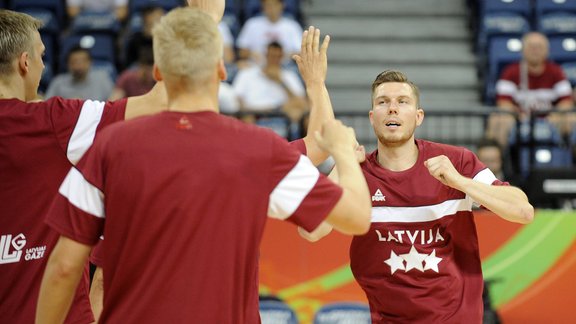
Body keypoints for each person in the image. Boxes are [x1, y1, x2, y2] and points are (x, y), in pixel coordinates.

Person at [36, 8, 371, 323]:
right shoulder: (257, 150)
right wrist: (342, 151)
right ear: (222, 71)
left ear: (158, 74)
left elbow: (66, 268)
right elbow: (355, 216)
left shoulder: (109, 147)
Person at [0, 1, 225, 322]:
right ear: (24, 63)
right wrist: (207, 20)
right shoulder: (51, 122)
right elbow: (163, 100)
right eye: (40, 56)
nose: (42, 67)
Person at [299, 70, 535, 323]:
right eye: (383, 102)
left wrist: (458, 181)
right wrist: (343, 165)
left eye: (402, 101)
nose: (392, 109)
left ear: (418, 116)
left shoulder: (455, 162)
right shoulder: (357, 175)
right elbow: (311, 230)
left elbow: (523, 211)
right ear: (372, 117)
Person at [486, 32, 575, 148]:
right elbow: (503, 103)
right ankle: (500, 162)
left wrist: (555, 115)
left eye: (539, 47)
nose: (535, 51)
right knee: (497, 120)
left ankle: (570, 160)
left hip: (551, 119)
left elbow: (566, 102)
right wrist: (518, 115)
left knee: (572, 118)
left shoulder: (556, 71)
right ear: (523, 50)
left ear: (547, 51)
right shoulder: (510, 72)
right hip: (519, 118)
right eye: (531, 47)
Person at [233, 41, 307, 136]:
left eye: (277, 56)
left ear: (282, 57)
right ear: (266, 55)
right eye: (271, 56)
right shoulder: (247, 74)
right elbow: (237, 98)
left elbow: (302, 104)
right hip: (254, 113)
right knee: (246, 116)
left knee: (297, 111)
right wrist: (247, 111)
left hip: (281, 114)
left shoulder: (289, 76)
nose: (274, 60)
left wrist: (281, 82)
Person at [236, 0, 302, 66]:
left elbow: (301, 52)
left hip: (285, 68)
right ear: (262, 7)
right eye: (268, 5)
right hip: (256, 67)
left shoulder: (292, 26)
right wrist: (251, 54)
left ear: (282, 5)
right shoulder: (252, 24)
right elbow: (241, 52)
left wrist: (287, 55)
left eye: (275, 4)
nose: (272, 8)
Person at [45, 45, 114, 101]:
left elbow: (113, 103)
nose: (78, 66)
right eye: (74, 62)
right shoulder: (58, 82)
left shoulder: (102, 79)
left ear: (90, 62)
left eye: (82, 61)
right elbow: (47, 106)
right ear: (67, 64)